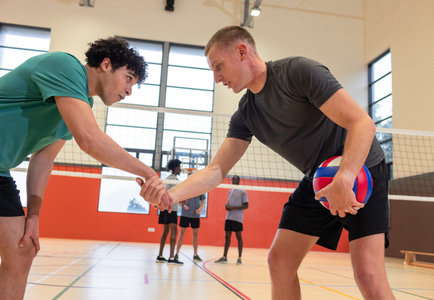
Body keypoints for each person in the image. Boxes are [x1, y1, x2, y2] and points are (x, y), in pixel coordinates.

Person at [140, 26, 395, 300]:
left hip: (361, 169)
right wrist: (171, 195)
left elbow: (362, 123)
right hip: (318, 179)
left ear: (241, 51)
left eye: (218, 67)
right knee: (280, 261)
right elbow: (216, 171)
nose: (216, 78)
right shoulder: (245, 114)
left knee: (368, 275)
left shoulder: (298, 72)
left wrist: (346, 176)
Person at [0, 37, 170, 299]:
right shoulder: (65, 66)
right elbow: (89, 140)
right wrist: (149, 173)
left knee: (22, 252)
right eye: (128, 78)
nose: (129, 90)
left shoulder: (79, 103)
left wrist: (34, 216)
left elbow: (43, 159)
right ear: (106, 64)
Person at [215, 175, 248, 265]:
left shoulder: (242, 192)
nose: (232, 180)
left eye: (234, 179)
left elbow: (246, 205)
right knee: (227, 237)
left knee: (238, 236)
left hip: (237, 218)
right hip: (228, 217)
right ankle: (224, 257)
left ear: (238, 180)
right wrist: (227, 207)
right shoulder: (230, 191)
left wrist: (232, 207)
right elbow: (229, 204)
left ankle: (239, 258)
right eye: (232, 179)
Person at [175, 170, 206, 263]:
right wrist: (183, 205)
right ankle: (176, 254)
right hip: (185, 214)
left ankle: (195, 255)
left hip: (195, 215)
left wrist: (200, 208)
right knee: (181, 233)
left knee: (195, 234)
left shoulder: (200, 188)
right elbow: (179, 202)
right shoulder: (184, 187)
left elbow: (202, 201)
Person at [156, 159, 183, 265]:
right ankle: (172, 257)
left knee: (165, 231)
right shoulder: (174, 180)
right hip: (171, 210)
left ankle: (160, 255)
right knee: (173, 231)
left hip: (165, 209)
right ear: (176, 168)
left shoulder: (167, 179)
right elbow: (171, 195)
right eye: (179, 167)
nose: (180, 169)